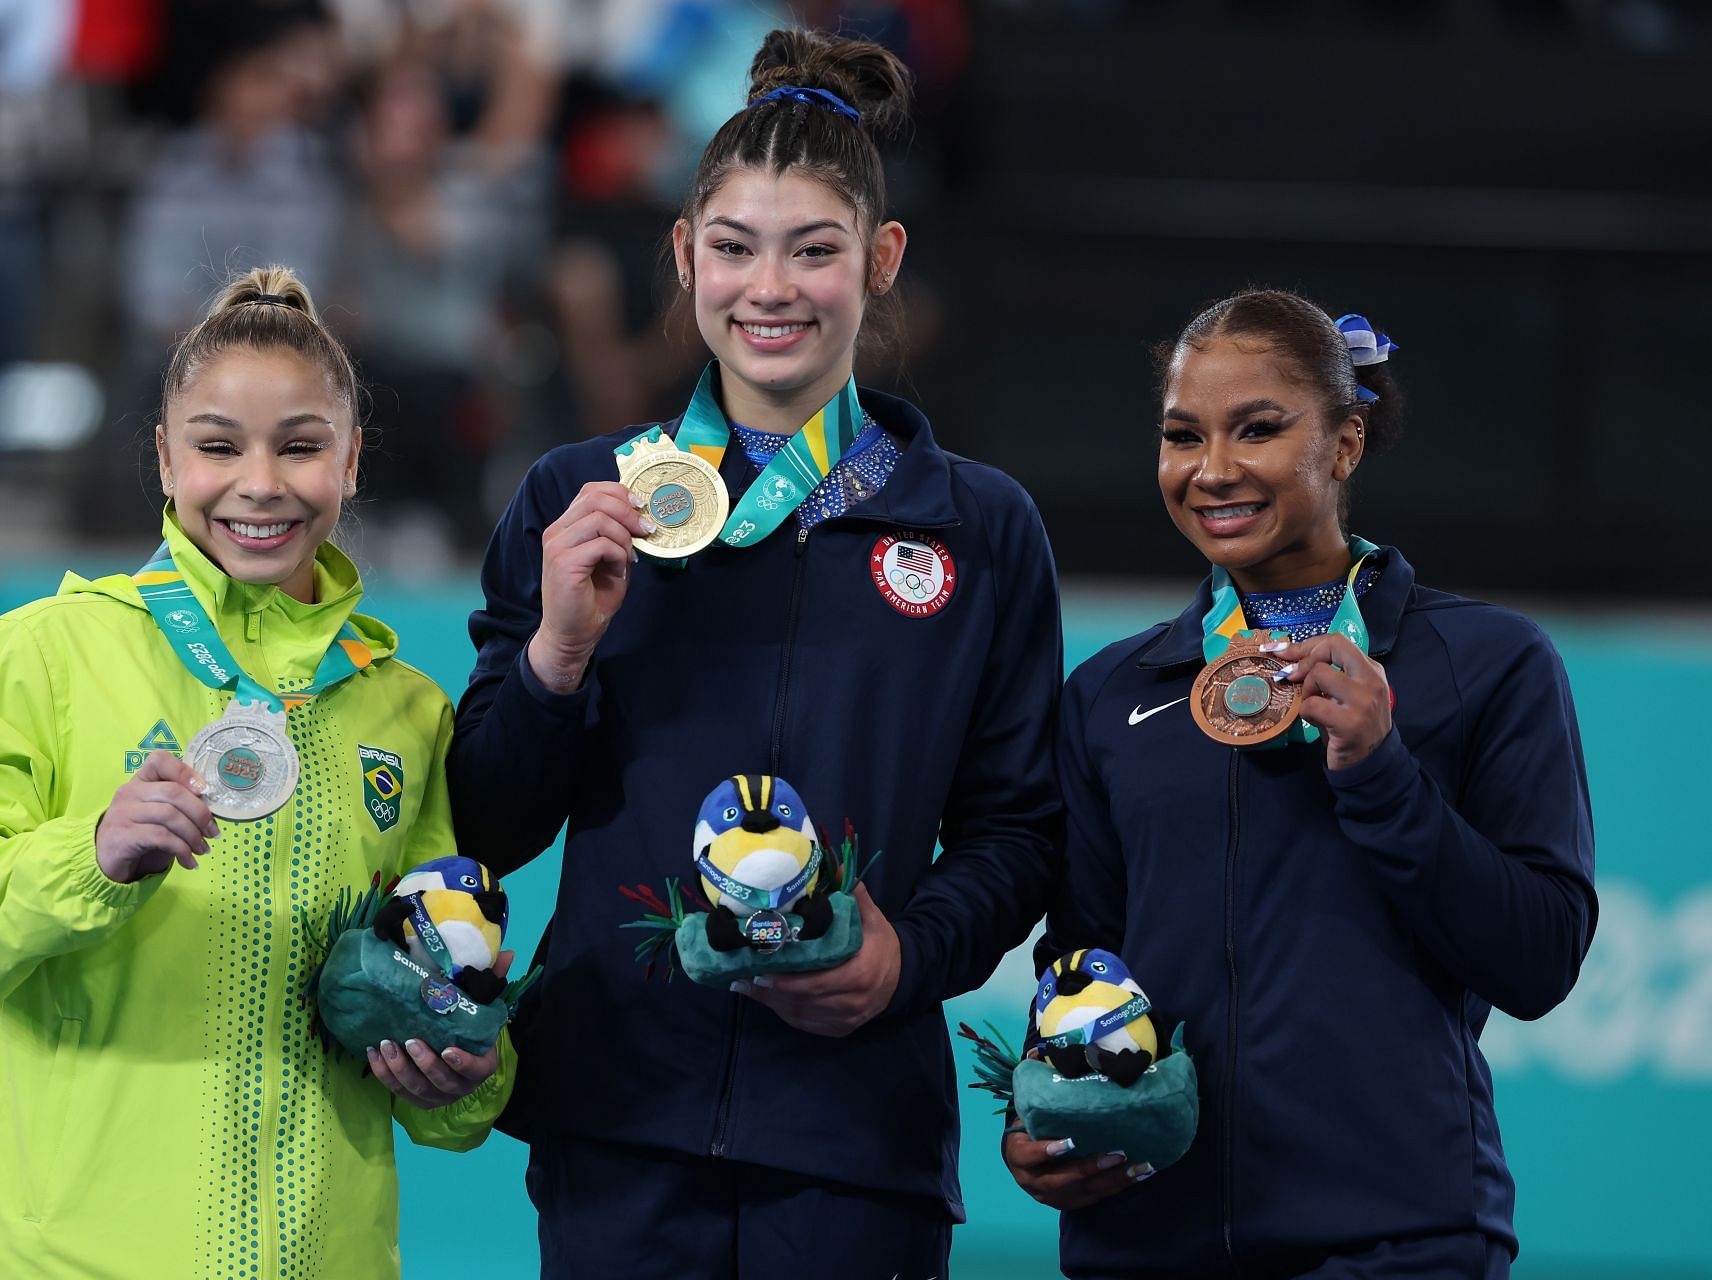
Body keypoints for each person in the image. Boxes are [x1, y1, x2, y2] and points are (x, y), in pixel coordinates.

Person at [447, 28, 1063, 1280]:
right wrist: (557, 652)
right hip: (617, 1115)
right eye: (732, 246)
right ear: (683, 256)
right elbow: (489, 820)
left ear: (880, 261)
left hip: (855, 1133)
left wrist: (907, 956)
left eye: (813, 249)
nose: (768, 287)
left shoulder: (980, 526)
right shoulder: (582, 498)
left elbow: (1020, 829)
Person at [0, 266, 514, 1279]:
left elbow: (443, 972)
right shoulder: (43, 652)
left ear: (350, 462)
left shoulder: (404, 708)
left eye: (301, 445)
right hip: (63, 1256)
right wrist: (89, 854)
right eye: (218, 445)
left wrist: (462, 1065)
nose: (259, 482)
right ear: (167, 459)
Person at [1005, 288, 1597, 1278]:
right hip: (1150, 1245)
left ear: (1347, 441)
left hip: (1396, 1243)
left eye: (1259, 428)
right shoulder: (1112, 695)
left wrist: (1381, 772)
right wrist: (1051, 1109)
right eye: (1183, 434)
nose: (1214, 470)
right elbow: (1083, 961)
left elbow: (1540, 958)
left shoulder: (1485, 662)